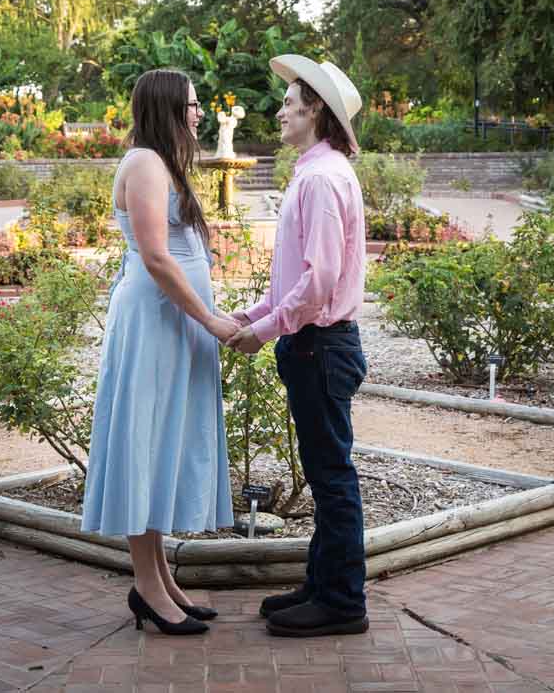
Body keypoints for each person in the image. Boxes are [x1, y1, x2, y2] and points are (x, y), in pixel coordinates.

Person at [81, 68, 242, 636]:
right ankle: (147, 586)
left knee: (160, 440)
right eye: (192, 105)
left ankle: (161, 580)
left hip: (174, 323)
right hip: (155, 322)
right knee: (143, 441)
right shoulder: (146, 163)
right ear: (167, 107)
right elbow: (154, 256)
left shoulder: (162, 162)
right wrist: (213, 322)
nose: (199, 113)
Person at [226, 54, 370, 638]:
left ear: (316, 110)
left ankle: (342, 602)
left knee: (332, 475)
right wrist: (254, 313)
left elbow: (320, 281)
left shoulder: (320, 177)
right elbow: (295, 281)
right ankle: (321, 583)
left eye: (289, 102)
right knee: (323, 468)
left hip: (319, 346)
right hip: (314, 343)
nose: (279, 110)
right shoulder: (319, 172)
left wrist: (262, 331)